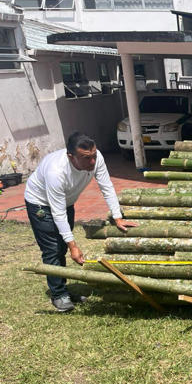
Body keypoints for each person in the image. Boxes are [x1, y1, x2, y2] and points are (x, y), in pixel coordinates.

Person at [25, 131, 136, 312]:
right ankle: (59, 294)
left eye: (93, 156)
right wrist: (73, 246)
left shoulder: (95, 157)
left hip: (66, 202)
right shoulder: (56, 171)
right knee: (54, 248)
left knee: (60, 245)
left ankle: (63, 290)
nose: (92, 162)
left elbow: (106, 185)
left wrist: (117, 216)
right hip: (41, 204)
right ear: (71, 157)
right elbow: (58, 212)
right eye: (86, 158)